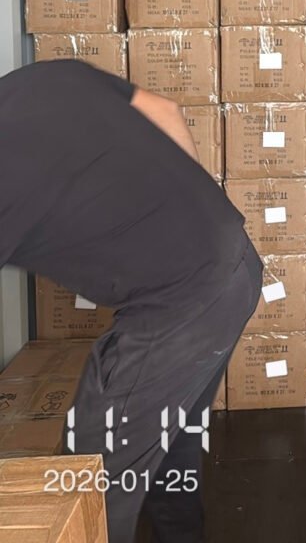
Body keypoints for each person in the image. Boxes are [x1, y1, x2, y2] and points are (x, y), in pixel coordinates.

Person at [0, 59, 262, 543]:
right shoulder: (39, 80)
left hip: (183, 302)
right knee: (168, 441)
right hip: (235, 256)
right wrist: (198, 220)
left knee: (91, 466)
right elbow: (163, 109)